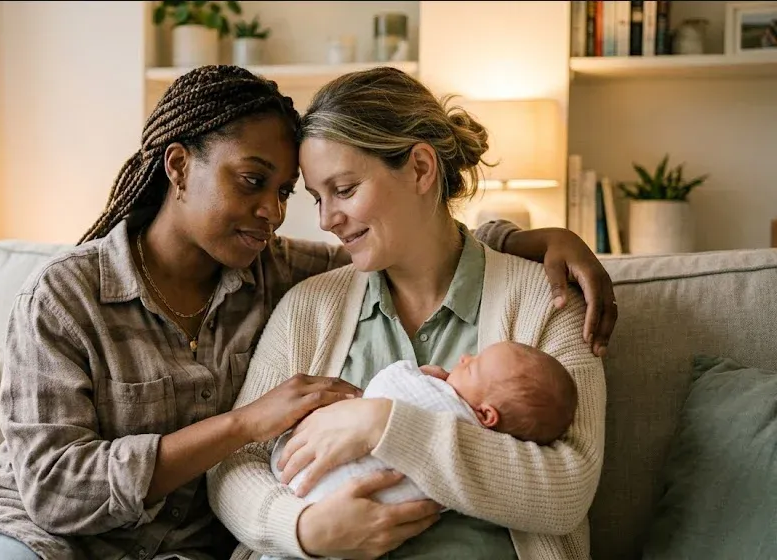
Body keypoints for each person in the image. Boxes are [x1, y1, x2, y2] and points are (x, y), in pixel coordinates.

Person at [0, 65, 615, 560]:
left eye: (297, 192)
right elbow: (64, 490)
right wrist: (295, 514)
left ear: (422, 169)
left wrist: (529, 241)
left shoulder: (291, 273)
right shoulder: (72, 296)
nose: (294, 216)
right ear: (177, 168)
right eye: (264, 184)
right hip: (41, 531)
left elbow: (564, 487)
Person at [207, 66, 608, 560]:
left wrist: (383, 425)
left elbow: (567, 490)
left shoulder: (545, 301)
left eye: (345, 189)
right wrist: (304, 528)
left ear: (420, 168)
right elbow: (233, 464)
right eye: (316, 197)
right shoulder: (309, 308)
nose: (327, 220)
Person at [271, 341, 578, 506]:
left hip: (312, 488)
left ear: (485, 416)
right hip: (308, 513)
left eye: (473, 368)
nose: (464, 359)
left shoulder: (450, 410)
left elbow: (389, 385)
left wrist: (410, 383)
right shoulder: (310, 300)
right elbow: (246, 456)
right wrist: (302, 531)